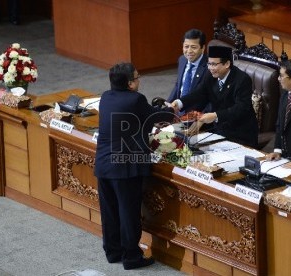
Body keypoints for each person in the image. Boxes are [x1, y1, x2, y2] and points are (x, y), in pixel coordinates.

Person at [94, 62, 174, 270]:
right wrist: (170, 108)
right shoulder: (135, 99)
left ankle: (113, 252)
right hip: (125, 168)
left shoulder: (105, 97)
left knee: (109, 211)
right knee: (128, 212)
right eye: (137, 78)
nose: (139, 81)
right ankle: (131, 257)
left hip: (104, 165)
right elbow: (157, 117)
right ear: (130, 84)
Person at [171, 45, 258, 148]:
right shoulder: (210, 75)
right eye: (209, 64)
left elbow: (241, 108)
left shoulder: (242, 80)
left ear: (227, 64)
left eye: (214, 64)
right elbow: (199, 94)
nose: (210, 68)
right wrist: (180, 103)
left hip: (240, 133)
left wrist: (215, 116)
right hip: (218, 131)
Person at [167, 29, 208, 112]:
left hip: (196, 113)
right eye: (186, 46)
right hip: (178, 108)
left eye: (193, 47)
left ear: (203, 48)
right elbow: (178, 85)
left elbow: (208, 97)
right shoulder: (182, 60)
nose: (189, 51)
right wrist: (168, 104)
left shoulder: (209, 67)